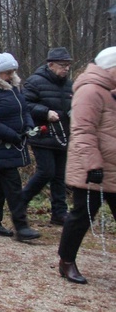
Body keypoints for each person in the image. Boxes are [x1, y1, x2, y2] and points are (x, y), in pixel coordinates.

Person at [57, 47, 116, 284]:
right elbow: (82, 131)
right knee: (82, 216)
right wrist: (93, 164)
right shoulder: (90, 91)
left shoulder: (110, 92)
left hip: (113, 165)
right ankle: (66, 261)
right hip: (92, 168)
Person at [0, 52, 40, 242]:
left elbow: (24, 109)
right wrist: (11, 135)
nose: (10, 75)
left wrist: (28, 125)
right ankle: (21, 226)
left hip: (14, 143)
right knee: (12, 185)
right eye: (7, 72)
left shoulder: (13, 87)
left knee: (0, 184)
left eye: (12, 71)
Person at [21, 47, 73, 225]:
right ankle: (19, 203)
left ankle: (59, 213)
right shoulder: (35, 82)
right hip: (42, 134)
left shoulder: (69, 84)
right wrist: (45, 112)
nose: (66, 68)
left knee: (59, 176)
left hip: (62, 136)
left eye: (68, 65)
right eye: (62, 65)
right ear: (50, 65)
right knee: (46, 172)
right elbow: (24, 105)